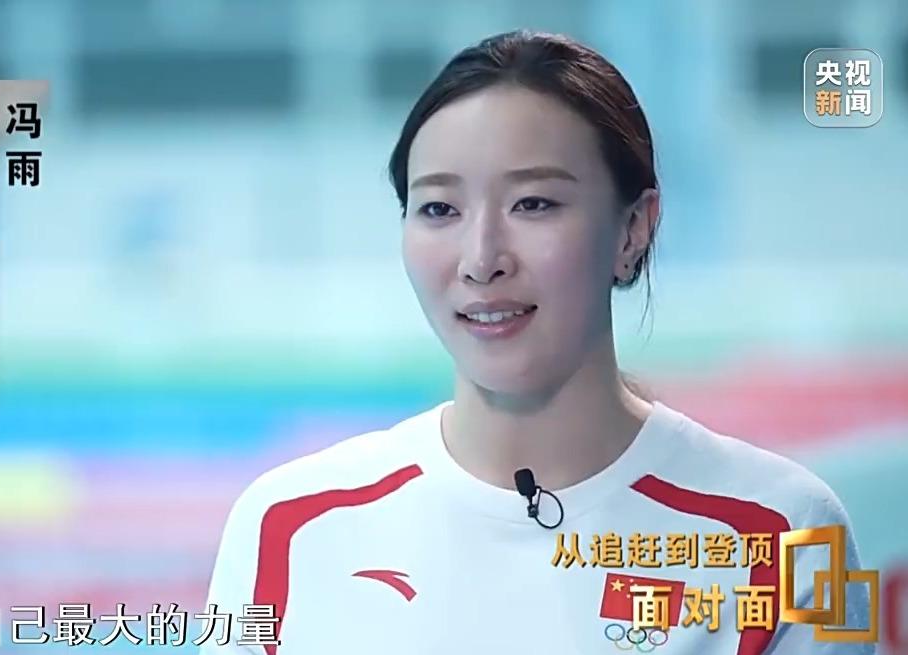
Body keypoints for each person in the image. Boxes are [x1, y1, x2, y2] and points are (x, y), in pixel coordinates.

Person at [200, 30, 872, 654]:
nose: (481, 259)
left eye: (534, 204)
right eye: (439, 209)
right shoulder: (288, 526)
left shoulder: (787, 531)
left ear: (634, 228)